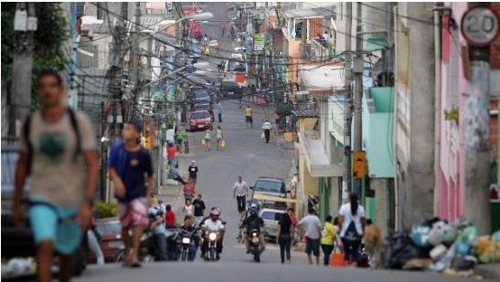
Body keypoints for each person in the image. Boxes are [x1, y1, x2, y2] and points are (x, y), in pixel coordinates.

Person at [13, 70, 99, 282]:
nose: (47, 90)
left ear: (61, 91)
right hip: (41, 196)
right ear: (38, 92)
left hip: (71, 198)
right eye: (43, 86)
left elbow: (92, 163)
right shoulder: (31, 123)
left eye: (52, 85)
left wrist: (88, 202)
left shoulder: (78, 122)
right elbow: (23, 164)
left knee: (67, 253)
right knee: (45, 245)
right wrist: (16, 202)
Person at [108, 118, 154, 268]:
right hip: (122, 195)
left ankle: (135, 253)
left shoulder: (143, 154)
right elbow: (111, 169)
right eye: (124, 128)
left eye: (128, 129)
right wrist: (118, 182)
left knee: (139, 222)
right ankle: (127, 249)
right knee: (125, 225)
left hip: (139, 193)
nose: (124, 131)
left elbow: (150, 175)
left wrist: (148, 194)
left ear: (136, 133)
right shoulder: (116, 148)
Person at [338, 193, 366, 266]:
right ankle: (353, 266)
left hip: (345, 233)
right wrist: (363, 231)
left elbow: (340, 221)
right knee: (355, 252)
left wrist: (340, 230)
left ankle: (347, 267)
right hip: (358, 233)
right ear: (357, 199)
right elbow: (363, 222)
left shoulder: (343, 207)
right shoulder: (361, 208)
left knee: (346, 252)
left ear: (349, 198)